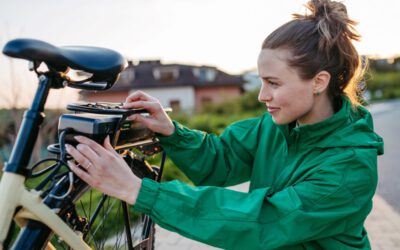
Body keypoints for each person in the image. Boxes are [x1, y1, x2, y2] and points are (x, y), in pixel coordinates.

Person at [65, 0, 384, 249]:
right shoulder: (276, 126)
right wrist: (172, 133)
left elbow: (261, 221)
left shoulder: (349, 167)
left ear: (318, 82)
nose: (262, 95)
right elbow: (222, 158)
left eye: (273, 83)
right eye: (262, 82)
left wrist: (138, 190)